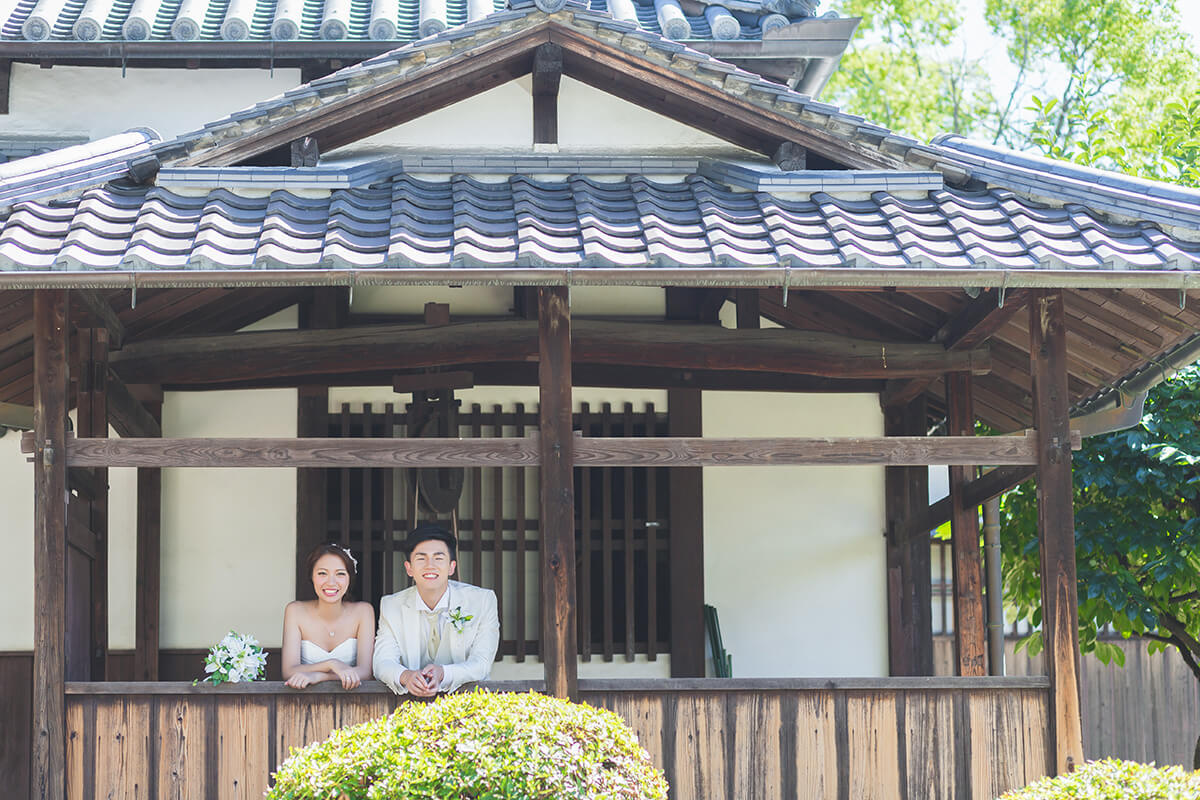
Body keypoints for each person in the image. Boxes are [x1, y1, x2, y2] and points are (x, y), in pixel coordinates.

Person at [373, 523, 499, 696]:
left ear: (451, 567)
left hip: (467, 702)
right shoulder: (391, 606)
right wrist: (406, 676)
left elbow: (482, 663)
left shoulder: (482, 601)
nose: (430, 565)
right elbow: (382, 662)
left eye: (438, 558)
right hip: (408, 706)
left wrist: (444, 673)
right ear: (409, 568)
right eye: (421, 558)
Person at [281, 543, 375, 690]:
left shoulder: (363, 612)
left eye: (340, 574)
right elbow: (288, 671)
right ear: (312, 576)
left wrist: (320, 676)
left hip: (353, 701)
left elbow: (365, 672)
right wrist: (331, 664)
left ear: (350, 578)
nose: (331, 582)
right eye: (322, 573)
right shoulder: (295, 611)